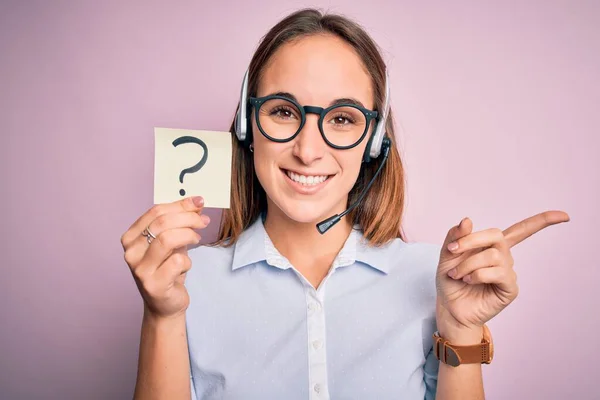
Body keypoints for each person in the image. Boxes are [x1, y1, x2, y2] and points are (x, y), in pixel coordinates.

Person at [120, 8, 570, 400]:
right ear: (245, 125)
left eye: (341, 119)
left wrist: (462, 332)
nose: (308, 150)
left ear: (373, 141)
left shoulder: (437, 279)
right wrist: (161, 316)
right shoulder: (187, 283)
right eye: (282, 111)